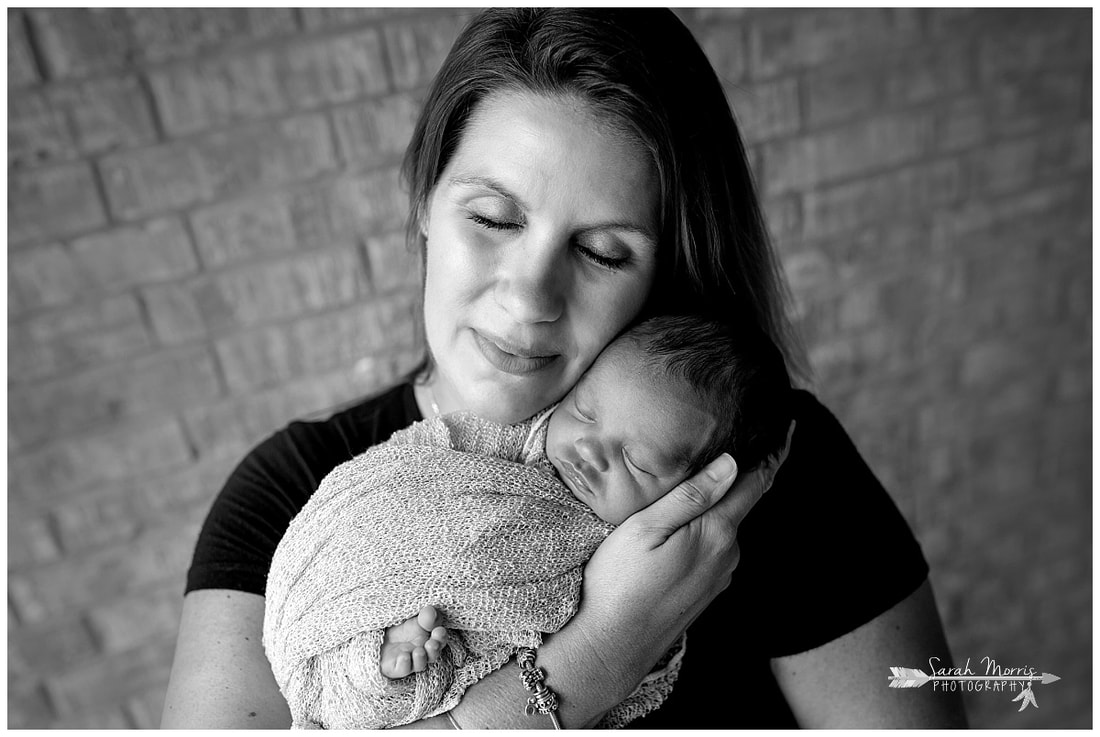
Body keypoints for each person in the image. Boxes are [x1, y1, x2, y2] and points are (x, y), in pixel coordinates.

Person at [162, 8, 967, 729]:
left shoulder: (762, 473)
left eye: (602, 251)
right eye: (493, 216)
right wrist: (605, 652)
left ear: (665, 271)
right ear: (423, 202)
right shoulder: (288, 493)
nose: (528, 296)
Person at [262, 314, 794, 729]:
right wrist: (599, 654)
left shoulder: (655, 561)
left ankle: (385, 671)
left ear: (695, 493)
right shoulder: (509, 440)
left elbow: (646, 668)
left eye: (639, 462)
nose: (589, 448)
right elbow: (417, 464)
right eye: (584, 412)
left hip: (455, 661)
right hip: (355, 593)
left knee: (410, 666)